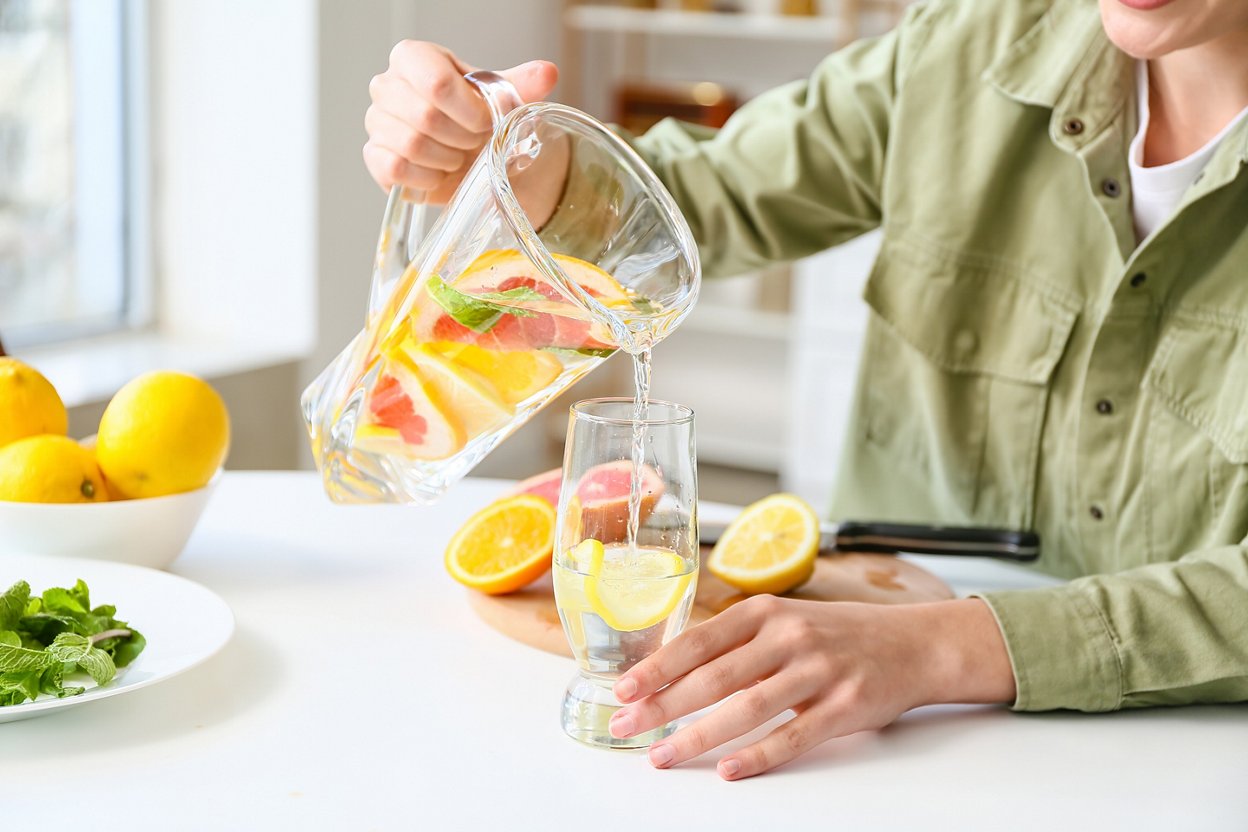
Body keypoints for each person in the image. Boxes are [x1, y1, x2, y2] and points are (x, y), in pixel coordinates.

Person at [364, 0, 1248, 780]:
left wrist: (951, 648)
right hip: (889, 742)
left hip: (1193, 749)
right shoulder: (972, 40)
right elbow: (704, 198)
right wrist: (518, 158)